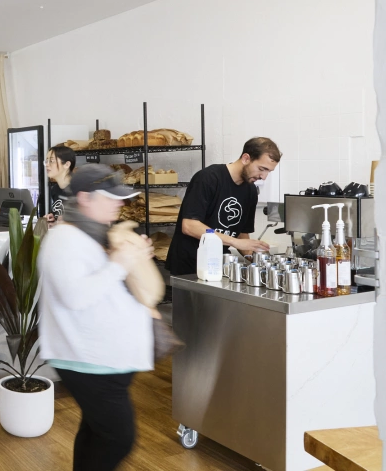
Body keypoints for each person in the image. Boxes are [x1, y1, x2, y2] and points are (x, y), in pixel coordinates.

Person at [38, 164, 155, 471]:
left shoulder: (92, 234)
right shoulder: (63, 239)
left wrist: (132, 261)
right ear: (85, 198)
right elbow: (75, 296)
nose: (121, 203)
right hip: (87, 360)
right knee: (118, 438)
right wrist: (119, 263)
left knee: (96, 432)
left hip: (101, 359)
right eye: (112, 197)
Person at [165, 137, 281, 276]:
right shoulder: (208, 178)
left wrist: (257, 259)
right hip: (189, 266)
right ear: (246, 158)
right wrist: (235, 242)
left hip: (218, 265)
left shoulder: (250, 192)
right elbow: (190, 226)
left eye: (269, 171)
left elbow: (241, 233)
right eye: (262, 169)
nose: (264, 176)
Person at [44, 145, 76, 224]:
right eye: (46, 161)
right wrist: (52, 216)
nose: (47, 165)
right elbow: (58, 213)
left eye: (51, 161)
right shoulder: (55, 189)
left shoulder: (79, 188)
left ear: (67, 164)